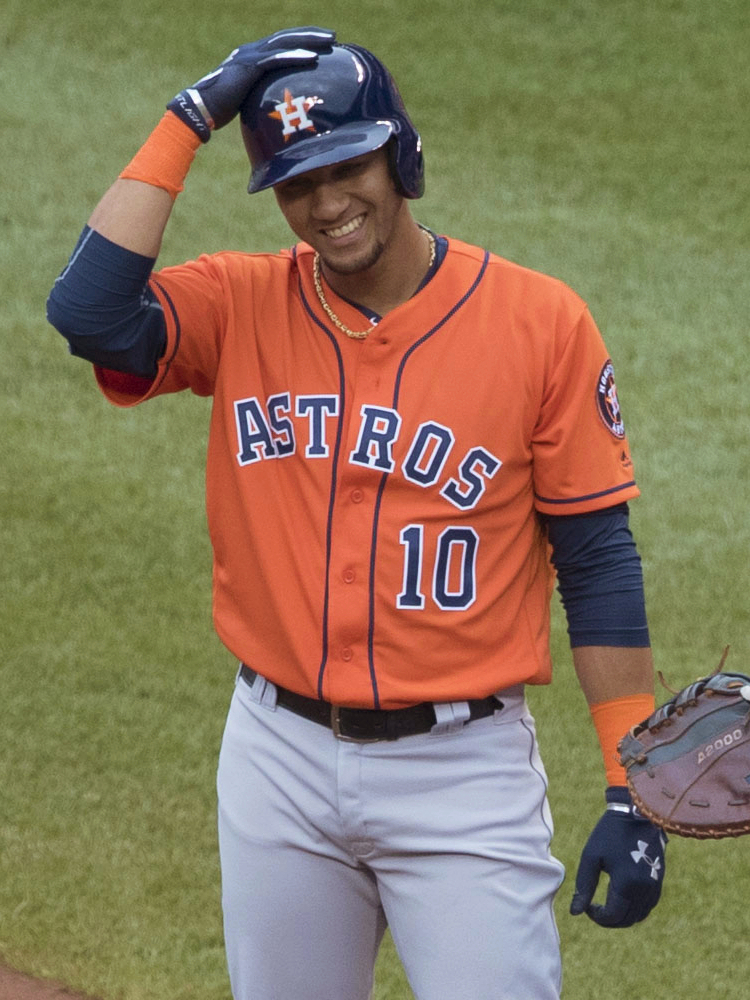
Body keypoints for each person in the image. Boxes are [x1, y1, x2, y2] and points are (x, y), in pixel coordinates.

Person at [46, 27, 667, 1000]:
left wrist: (635, 786)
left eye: (347, 165)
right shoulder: (241, 303)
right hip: (278, 760)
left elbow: (597, 563)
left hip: (461, 774)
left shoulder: (541, 326)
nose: (328, 204)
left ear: (400, 154)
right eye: (297, 183)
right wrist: (189, 118)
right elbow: (88, 313)